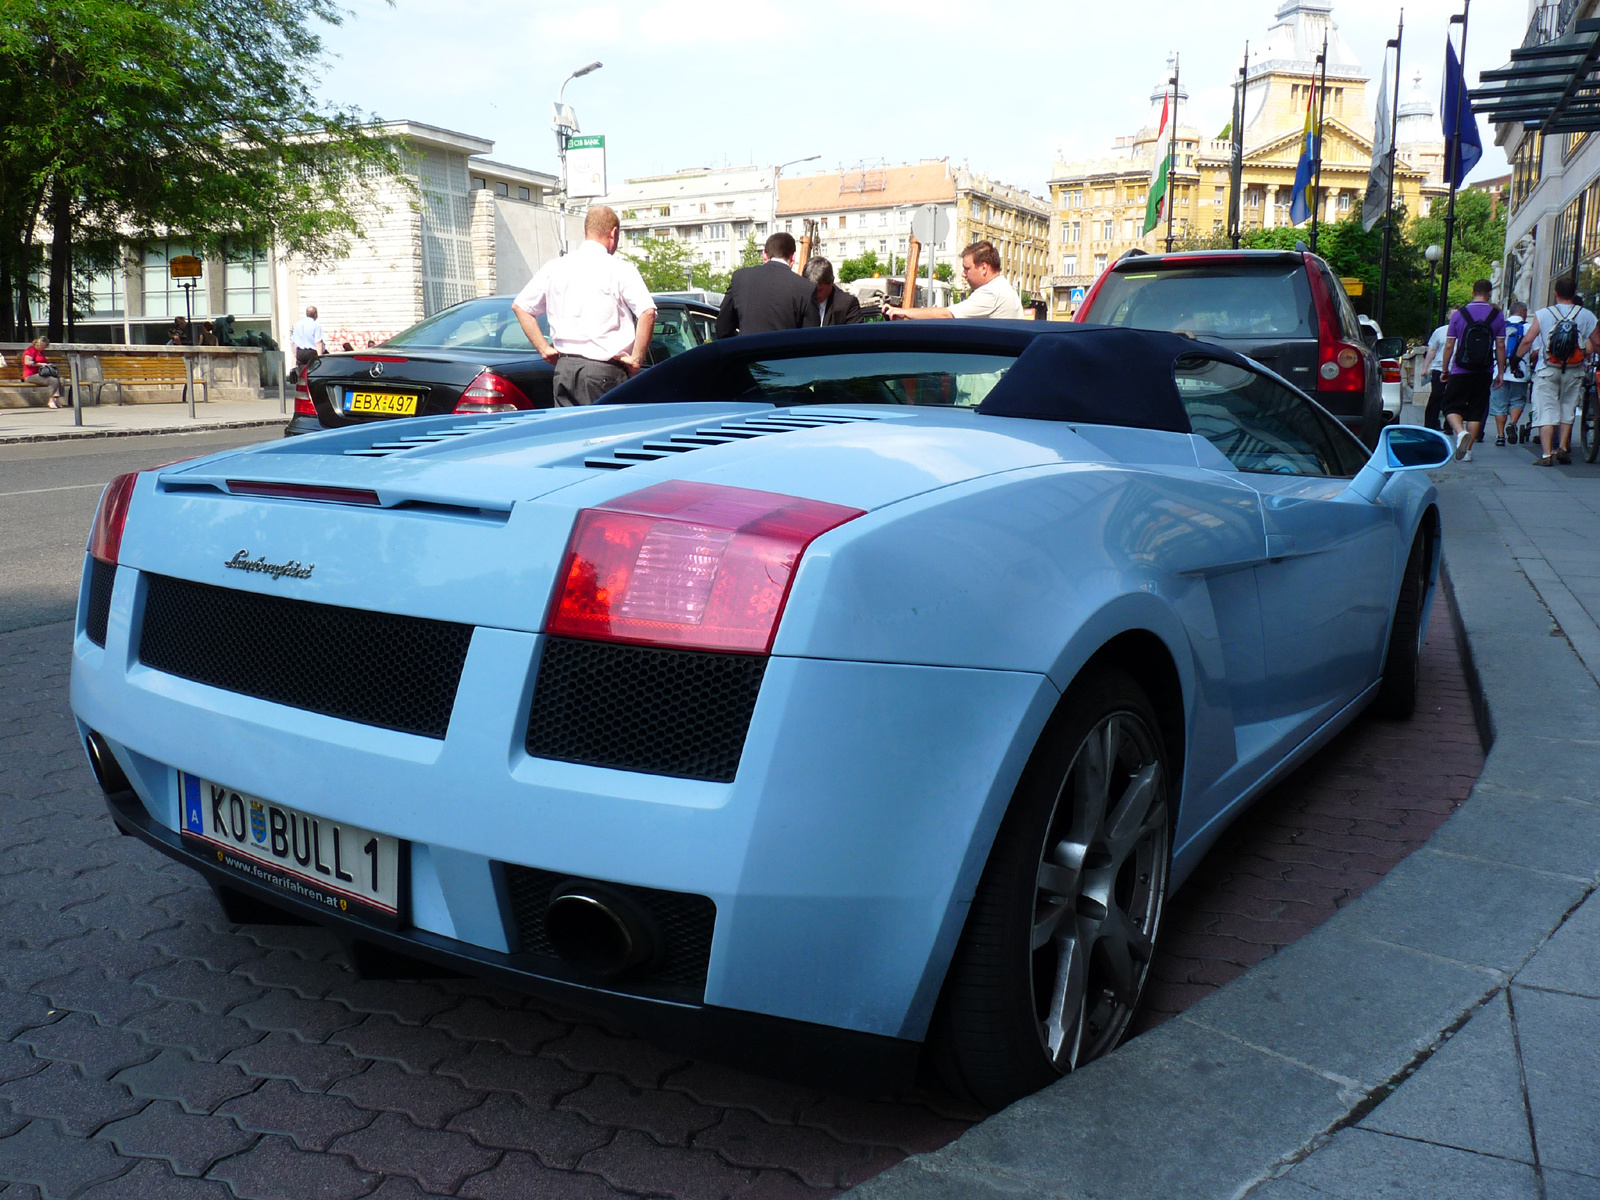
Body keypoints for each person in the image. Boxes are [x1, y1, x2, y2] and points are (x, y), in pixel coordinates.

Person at [512, 205, 656, 406]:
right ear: (614, 233)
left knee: (571, 434)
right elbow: (648, 313)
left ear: (585, 232)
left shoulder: (555, 267)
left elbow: (521, 306)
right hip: (604, 372)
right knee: (606, 435)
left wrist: (544, 348)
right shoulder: (620, 269)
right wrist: (637, 359)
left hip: (565, 369)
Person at [1516, 275, 1597, 467]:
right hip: (1574, 369)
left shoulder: (1543, 313)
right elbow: (1597, 342)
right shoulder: (1587, 315)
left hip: (1548, 368)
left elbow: (1528, 340)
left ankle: (1546, 454)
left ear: (1556, 293)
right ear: (1574, 293)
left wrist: (1516, 359)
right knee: (1568, 407)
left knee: (1546, 409)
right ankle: (1562, 448)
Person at [1439, 280, 1506, 462]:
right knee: (1476, 410)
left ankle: (1460, 433)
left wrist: (1445, 369)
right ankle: (1468, 452)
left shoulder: (1459, 315)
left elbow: (1449, 345)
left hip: (1461, 368)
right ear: (1490, 293)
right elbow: (1500, 345)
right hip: (1484, 370)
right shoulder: (1497, 315)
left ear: (1472, 291)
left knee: (1450, 405)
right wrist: (1500, 372)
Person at [885, 241, 1024, 320]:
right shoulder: (1001, 286)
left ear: (983, 268)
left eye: (967, 269)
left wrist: (904, 312)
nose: (964, 274)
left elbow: (946, 315)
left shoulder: (991, 292)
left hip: (989, 369)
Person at [715, 232, 816, 337]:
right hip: (786, 352)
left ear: (764, 254)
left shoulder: (740, 278)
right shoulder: (807, 288)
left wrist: (740, 344)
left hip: (746, 351)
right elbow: (811, 339)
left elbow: (722, 328)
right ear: (793, 256)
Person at [1490, 302, 1530, 446]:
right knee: (1517, 400)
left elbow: (1496, 348)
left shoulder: (1499, 326)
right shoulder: (1528, 327)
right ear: (1523, 311)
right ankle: (1512, 423)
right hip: (1520, 371)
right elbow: (1536, 350)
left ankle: (1500, 436)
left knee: (1499, 403)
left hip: (1499, 371)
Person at [1419, 307, 1458, 432]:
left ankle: (1449, 425)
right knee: (1436, 396)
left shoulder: (1464, 331)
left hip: (1457, 369)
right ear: (1448, 317)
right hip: (1439, 368)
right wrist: (1426, 367)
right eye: (1453, 315)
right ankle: (1430, 424)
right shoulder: (1440, 331)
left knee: (1453, 398)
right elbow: (1432, 350)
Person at [802, 257, 862, 327]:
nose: (814, 295)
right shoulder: (800, 302)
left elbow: (855, 335)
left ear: (832, 282)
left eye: (819, 290)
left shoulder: (847, 304)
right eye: (811, 290)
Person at [21, 336, 62, 409]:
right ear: (38, 345)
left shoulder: (40, 352)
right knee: (53, 380)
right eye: (43, 346)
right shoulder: (30, 350)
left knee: (61, 380)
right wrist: (40, 364)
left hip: (41, 374)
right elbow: (27, 362)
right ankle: (51, 400)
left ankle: (56, 399)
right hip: (31, 375)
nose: (44, 348)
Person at [290, 305, 328, 372]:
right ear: (315, 314)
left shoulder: (298, 324)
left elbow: (294, 343)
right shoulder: (316, 325)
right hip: (311, 353)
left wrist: (296, 357)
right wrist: (320, 358)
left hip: (300, 353)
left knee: (302, 374)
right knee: (314, 372)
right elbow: (318, 343)